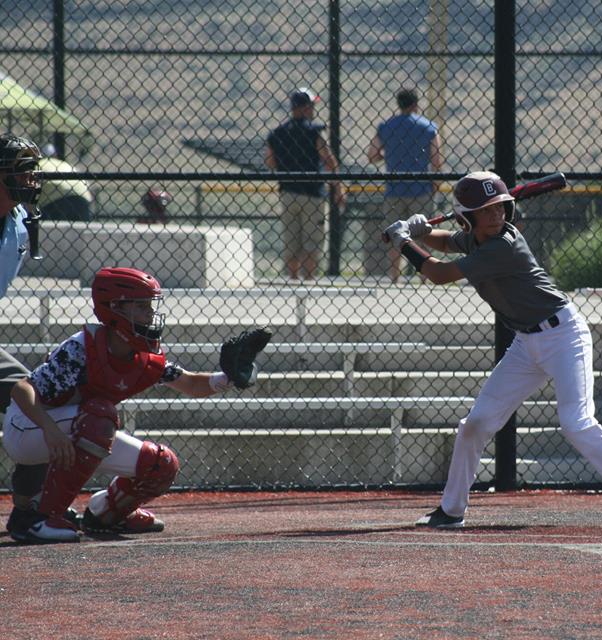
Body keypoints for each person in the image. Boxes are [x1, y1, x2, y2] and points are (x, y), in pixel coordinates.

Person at [382, 171, 602, 529]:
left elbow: (439, 273)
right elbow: (449, 242)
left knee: (577, 424)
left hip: (563, 336)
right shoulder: (478, 240)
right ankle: (451, 510)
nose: (496, 214)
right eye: (487, 209)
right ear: (468, 217)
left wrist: (404, 242)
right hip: (527, 343)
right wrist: (422, 232)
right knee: (475, 424)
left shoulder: (504, 245)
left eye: (500, 207)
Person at [2, 267, 268, 543]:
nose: (150, 314)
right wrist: (50, 430)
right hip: (27, 426)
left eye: (149, 306)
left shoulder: (143, 353)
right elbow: (23, 389)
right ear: (114, 308)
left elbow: (190, 383)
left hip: (76, 425)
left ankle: (105, 512)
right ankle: (37, 519)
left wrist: (229, 378)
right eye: (141, 306)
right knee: (99, 417)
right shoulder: (83, 348)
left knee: (160, 465)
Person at [1, 134, 47, 538]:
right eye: (21, 170)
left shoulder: (18, 220)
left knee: (39, 401)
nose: (31, 179)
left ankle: (27, 512)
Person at [265, 87, 345, 280]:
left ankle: (293, 279)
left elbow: (270, 161)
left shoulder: (277, 133)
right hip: (312, 192)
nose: (312, 110)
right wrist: (338, 188)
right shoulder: (315, 131)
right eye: (310, 106)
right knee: (312, 242)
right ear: (305, 108)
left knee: (291, 240)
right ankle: (308, 280)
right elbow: (329, 160)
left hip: (288, 191)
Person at [365, 88, 443, 281]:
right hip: (421, 187)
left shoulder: (386, 127)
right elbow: (437, 161)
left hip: (394, 188)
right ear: (416, 104)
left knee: (395, 233)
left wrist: (390, 157)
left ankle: (395, 277)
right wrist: (436, 185)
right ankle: (425, 276)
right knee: (424, 233)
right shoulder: (428, 127)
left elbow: (372, 155)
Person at [35, 144, 93, 222]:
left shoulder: (39, 164)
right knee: (81, 232)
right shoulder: (65, 164)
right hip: (82, 195)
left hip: (55, 199)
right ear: (55, 155)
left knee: (49, 231)